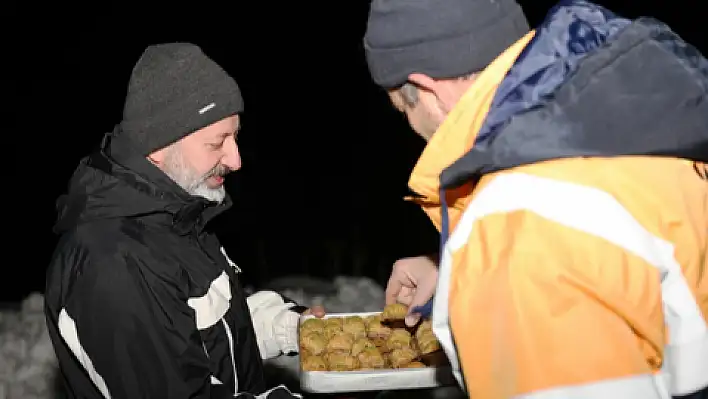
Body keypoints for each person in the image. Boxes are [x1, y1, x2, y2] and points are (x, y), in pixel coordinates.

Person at [365, 0, 708, 398]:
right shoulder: (634, 122)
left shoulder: (519, 227)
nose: (414, 129)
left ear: (427, 90)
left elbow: (543, 248)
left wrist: (490, 263)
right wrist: (455, 272)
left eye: (403, 110)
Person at [44, 43, 323, 399]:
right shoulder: (113, 263)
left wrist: (287, 328)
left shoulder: (175, 216)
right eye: (216, 142)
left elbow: (200, 332)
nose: (235, 159)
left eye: (235, 136)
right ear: (159, 146)